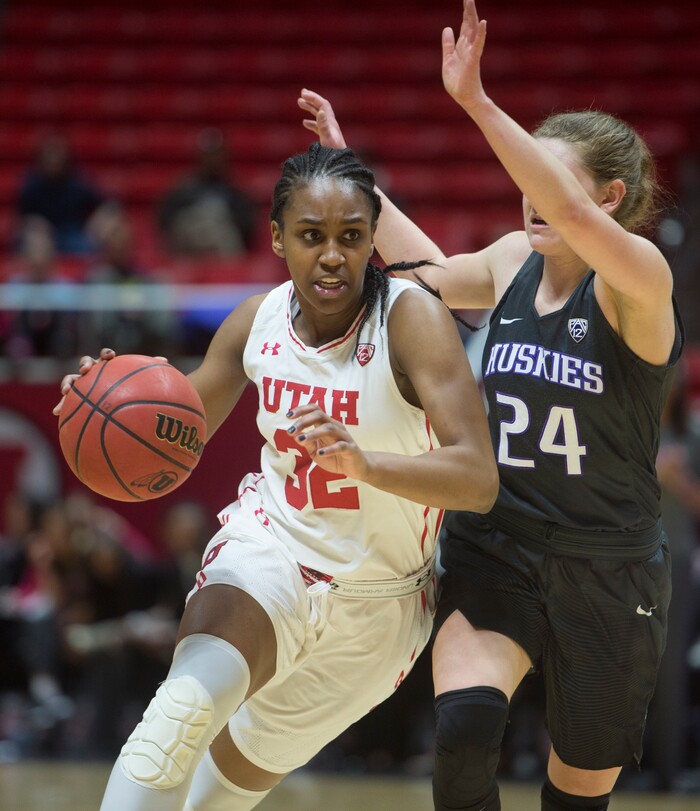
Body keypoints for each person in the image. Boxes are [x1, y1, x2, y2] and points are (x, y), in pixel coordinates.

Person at [298, 1, 684, 809]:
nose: (529, 195)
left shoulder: (639, 282)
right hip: (499, 543)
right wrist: (351, 173)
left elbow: (570, 214)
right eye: (525, 178)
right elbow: (425, 272)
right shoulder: (514, 257)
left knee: (576, 796)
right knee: (464, 736)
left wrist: (475, 100)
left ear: (611, 198)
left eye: (548, 179)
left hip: (608, 564)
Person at [53, 141, 498, 810]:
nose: (331, 255)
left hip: (379, 608)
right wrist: (108, 401)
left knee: (214, 799)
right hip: (271, 553)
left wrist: (365, 463)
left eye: (351, 236)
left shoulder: (411, 320)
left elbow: (476, 477)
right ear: (276, 237)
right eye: (310, 235)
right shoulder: (254, 322)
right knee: (174, 723)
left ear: (373, 237)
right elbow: (174, 430)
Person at [157, 127, 257, 258]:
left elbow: (248, 227)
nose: (212, 159)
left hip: (223, 246)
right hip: (190, 245)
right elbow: (165, 221)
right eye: (209, 154)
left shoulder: (235, 192)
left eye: (216, 154)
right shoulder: (183, 189)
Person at [16, 133, 110, 255]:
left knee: (89, 247)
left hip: (72, 234)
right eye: (49, 156)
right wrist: (33, 224)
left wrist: (94, 223)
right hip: (42, 235)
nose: (53, 161)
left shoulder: (79, 182)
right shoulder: (30, 185)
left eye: (57, 156)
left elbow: (106, 206)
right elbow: (22, 220)